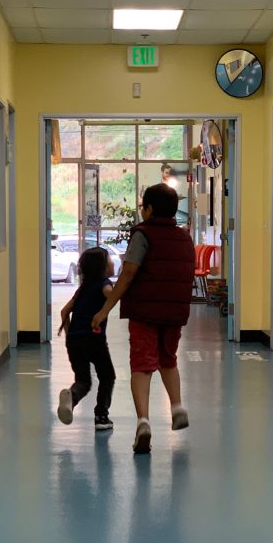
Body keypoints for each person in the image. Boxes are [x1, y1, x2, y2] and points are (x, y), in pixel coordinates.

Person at [91, 183, 195, 455]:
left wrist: (105, 310)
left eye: (142, 206)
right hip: (174, 313)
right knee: (168, 359)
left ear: (148, 209)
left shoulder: (143, 235)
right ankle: (177, 406)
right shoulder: (185, 238)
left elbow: (128, 274)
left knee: (142, 364)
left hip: (144, 313)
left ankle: (144, 422)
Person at [57, 246, 116, 431]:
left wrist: (70, 335)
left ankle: (72, 397)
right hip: (94, 338)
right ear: (102, 267)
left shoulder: (83, 289)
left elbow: (64, 311)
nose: (112, 262)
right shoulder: (105, 284)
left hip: (75, 340)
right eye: (109, 260)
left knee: (83, 380)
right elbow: (111, 296)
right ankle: (101, 416)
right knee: (107, 377)